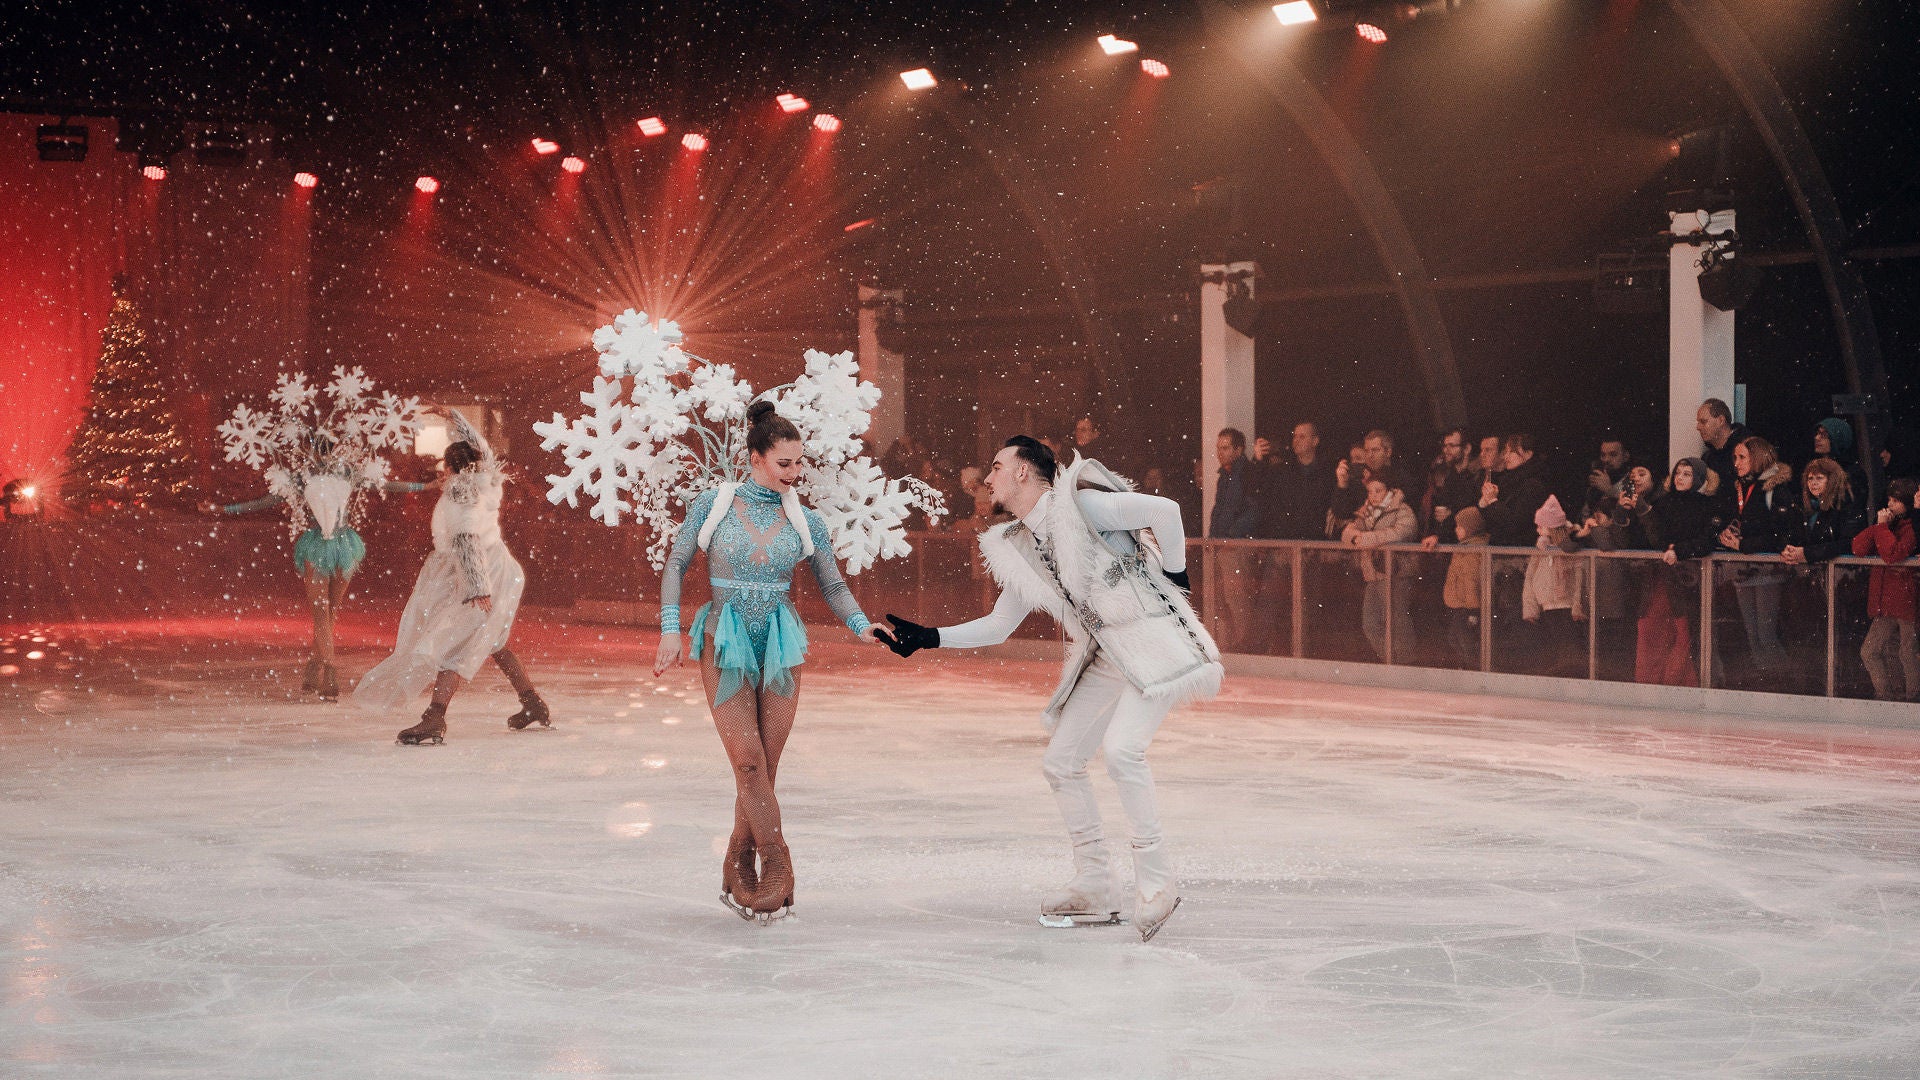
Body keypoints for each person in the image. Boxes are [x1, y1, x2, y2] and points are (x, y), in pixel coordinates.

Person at [876, 436, 1220, 943]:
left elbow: (1166, 512)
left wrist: (1175, 578)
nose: (986, 478)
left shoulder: (1083, 505)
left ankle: (1157, 882)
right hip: (1105, 653)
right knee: (1062, 761)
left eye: (996, 467)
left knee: (1124, 752)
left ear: (1023, 473)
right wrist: (929, 638)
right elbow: (998, 625)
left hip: (1152, 641)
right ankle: (1096, 884)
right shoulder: (1020, 544)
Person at [654, 401, 886, 923]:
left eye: (800, 464)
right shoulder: (713, 503)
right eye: (785, 464)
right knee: (749, 763)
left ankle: (738, 860)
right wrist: (671, 630)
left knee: (767, 767)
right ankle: (779, 867)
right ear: (755, 457)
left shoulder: (806, 518)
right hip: (724, 640)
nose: (796, 473)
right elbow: (675, 564)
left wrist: (860, 623)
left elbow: (833, 582)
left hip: (781, 644)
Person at [357, 407, 546, 743]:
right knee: (494, 641)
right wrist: (452, 416)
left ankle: (434, 718)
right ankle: (532, 703)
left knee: (457, 642)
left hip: (482, 574)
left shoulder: (461, 495)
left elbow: (465, 540)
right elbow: (483, 448)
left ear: (451, 468)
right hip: (497, 568)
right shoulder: (484, 478)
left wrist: (476, 589)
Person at [201, 434, 429, 701]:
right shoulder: (333, 474)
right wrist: (426, 486)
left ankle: (316, 665)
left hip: (332, 545)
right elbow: (387, 485)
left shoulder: (321, 475)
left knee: (326, 611)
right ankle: (328, 672)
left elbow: (268, 501)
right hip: (337, 545)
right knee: (326, 611)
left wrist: (224, 509)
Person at [1636, 458, 1721, 686]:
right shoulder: (1664, 503)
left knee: (1685, 633)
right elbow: (1656, 538)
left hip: (1689, 580)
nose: (1680, 478)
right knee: (1655, 629)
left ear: (1699, 479)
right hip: (1663, 576)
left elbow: (1707, 540)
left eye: (1687, 474)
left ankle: (1683, 682)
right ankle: (1653, 681)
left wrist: (1680, 550)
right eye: (1678, 473)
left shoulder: (1706, 505)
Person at [1717, 436, 1796, 675]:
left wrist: (1743, 543)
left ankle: (1782, 680)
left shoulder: (1776, 490)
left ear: (1758, 457)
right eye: (1735, 458)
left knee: (1765, 633)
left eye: (1742, 457)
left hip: (1767, 570)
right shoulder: (1740, 487)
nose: (1736, 463)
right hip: (1744, 569)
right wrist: (1729, 535)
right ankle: (1767, 679)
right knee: (1752, 633)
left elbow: (1781, 534)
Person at [1852, 478, 1918, 701]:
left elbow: (1892, 554)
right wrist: (1879, 525)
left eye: (1896, 501)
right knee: (1870, 651)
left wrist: (1881, 528)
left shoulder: (1911, 529)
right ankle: (1885, 696)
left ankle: (1912, 698)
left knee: (1907, 654)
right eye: (1889, 499)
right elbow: (1858, 548)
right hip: (1886, 602)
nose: (1890, 504)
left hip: (1907, 602)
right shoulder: (1887, 526)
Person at [1342, 472, 1418, 663]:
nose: (1374, 495)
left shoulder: (1402, 510)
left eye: (1378, 490)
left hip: (1396, 573)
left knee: (1398, 621)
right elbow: (1348, 531)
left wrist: (1365, 539)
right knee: (1370, 623)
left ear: (1389, 491)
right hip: (1373, 574)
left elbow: (1401, 532)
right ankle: (1390, 660)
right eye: (1370, 491)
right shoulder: (1366, 512)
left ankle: (1404, 663)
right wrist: (1353, 537)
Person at [1209, 427, 1261, 651]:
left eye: (1225, 448)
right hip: (1221, 545)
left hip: (1235, 546)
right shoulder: (1226, 476)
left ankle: (1244, 643)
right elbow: (1220, 509)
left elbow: (1254, 509)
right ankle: (1228, 643)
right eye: (1218, 448)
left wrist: (1232, 535)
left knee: (1237, 598)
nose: (1220, 452)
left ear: (1238, 449)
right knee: (1222, 598)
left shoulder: (1247, 474)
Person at [1523, 495, 1587, 675]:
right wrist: (1530, 608)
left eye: (1541, 526)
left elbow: (1578, 577)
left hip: (1565, 603)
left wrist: (1577, 605)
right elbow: (1530, 577)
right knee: (1554, 643)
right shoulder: (1540, 548)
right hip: (1547, 603)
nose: (1537, 530)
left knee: (1569, 644)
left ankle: (1570, 675)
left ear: (1551, 527)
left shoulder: (1568, 546)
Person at [1782, 458, 1865, 568]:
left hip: (1841, 573)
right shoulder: (1801, 506)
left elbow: (1848, 543)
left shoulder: (1847, 505)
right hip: (1809, 573)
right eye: (1810, 478)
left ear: (1832, 480)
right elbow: (1791, 535)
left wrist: (1808, 554)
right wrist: (1787, 550)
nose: (1813, 483)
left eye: (1819, 478)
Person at [1442, 505, 1490, 668]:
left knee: (1463, 639)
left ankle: (1472, 667)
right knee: (1455, 637)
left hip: (1468, 605)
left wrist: (1473, 610)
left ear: (1469, 529)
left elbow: (1471, 581)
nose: (1456, 530)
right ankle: (1467, 665)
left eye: (1459, 527)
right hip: (1461, 603)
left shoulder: (1472, 551)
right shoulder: (1464, 547)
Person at [1695, 398, 1750, 499]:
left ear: (1721, 420)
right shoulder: (1707, 458)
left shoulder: (1748, 451)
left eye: (1703, 421)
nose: (1698, 427)